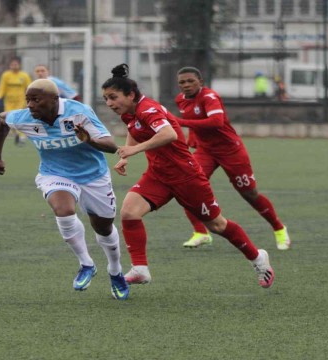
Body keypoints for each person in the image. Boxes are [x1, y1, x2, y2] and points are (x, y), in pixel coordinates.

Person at [101, 64, 274, 289]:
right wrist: (126, 155)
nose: (109, 104)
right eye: (106, 99)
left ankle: (258, 258)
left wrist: (134, 150)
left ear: (131, 94)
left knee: (217, 225)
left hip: (186, 176)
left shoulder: (148, 109)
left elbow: (169, 134)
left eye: (113, 97)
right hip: (158, 175)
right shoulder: (129, 113)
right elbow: (134, 130)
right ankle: (140, 269)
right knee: (129, 213)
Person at [0, 78, 130, 300]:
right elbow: (1, 121)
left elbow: (111, 146)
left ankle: (115, 271)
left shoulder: (79, 112)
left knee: (103, 227)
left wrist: (88, 140)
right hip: (54, 173)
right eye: (28, 100)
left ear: (55, 99)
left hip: (93, 176)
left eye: (36, 100)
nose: (30, 105)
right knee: (63, 210)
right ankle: (86, 263)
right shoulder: (24, 117)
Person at [174, 66, 291, 250]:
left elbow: (216, 122)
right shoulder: (180, 100)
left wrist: (181, 123)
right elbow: (195, 123)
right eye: (182, 82)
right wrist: (192, 138)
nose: (186, 85)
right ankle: (201, 233)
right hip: (206, 151)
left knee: (249, 194)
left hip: (230, 151)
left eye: (190, 81)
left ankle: (279, 229)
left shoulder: (209, 97)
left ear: (201, 82)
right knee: (187, 186)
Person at [0, 57, 32, 145]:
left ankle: (22, 137)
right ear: (10, 66)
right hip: (9, 102)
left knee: (19, 119)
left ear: (19, 65)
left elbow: (29, 88)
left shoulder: (24, 75)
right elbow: (2, 87)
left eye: (16, 64)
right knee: (8, 120)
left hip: (20, 101)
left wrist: (30, 99)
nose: (14, 66)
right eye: (12, 64)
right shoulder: (6, 75)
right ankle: (16, 134)